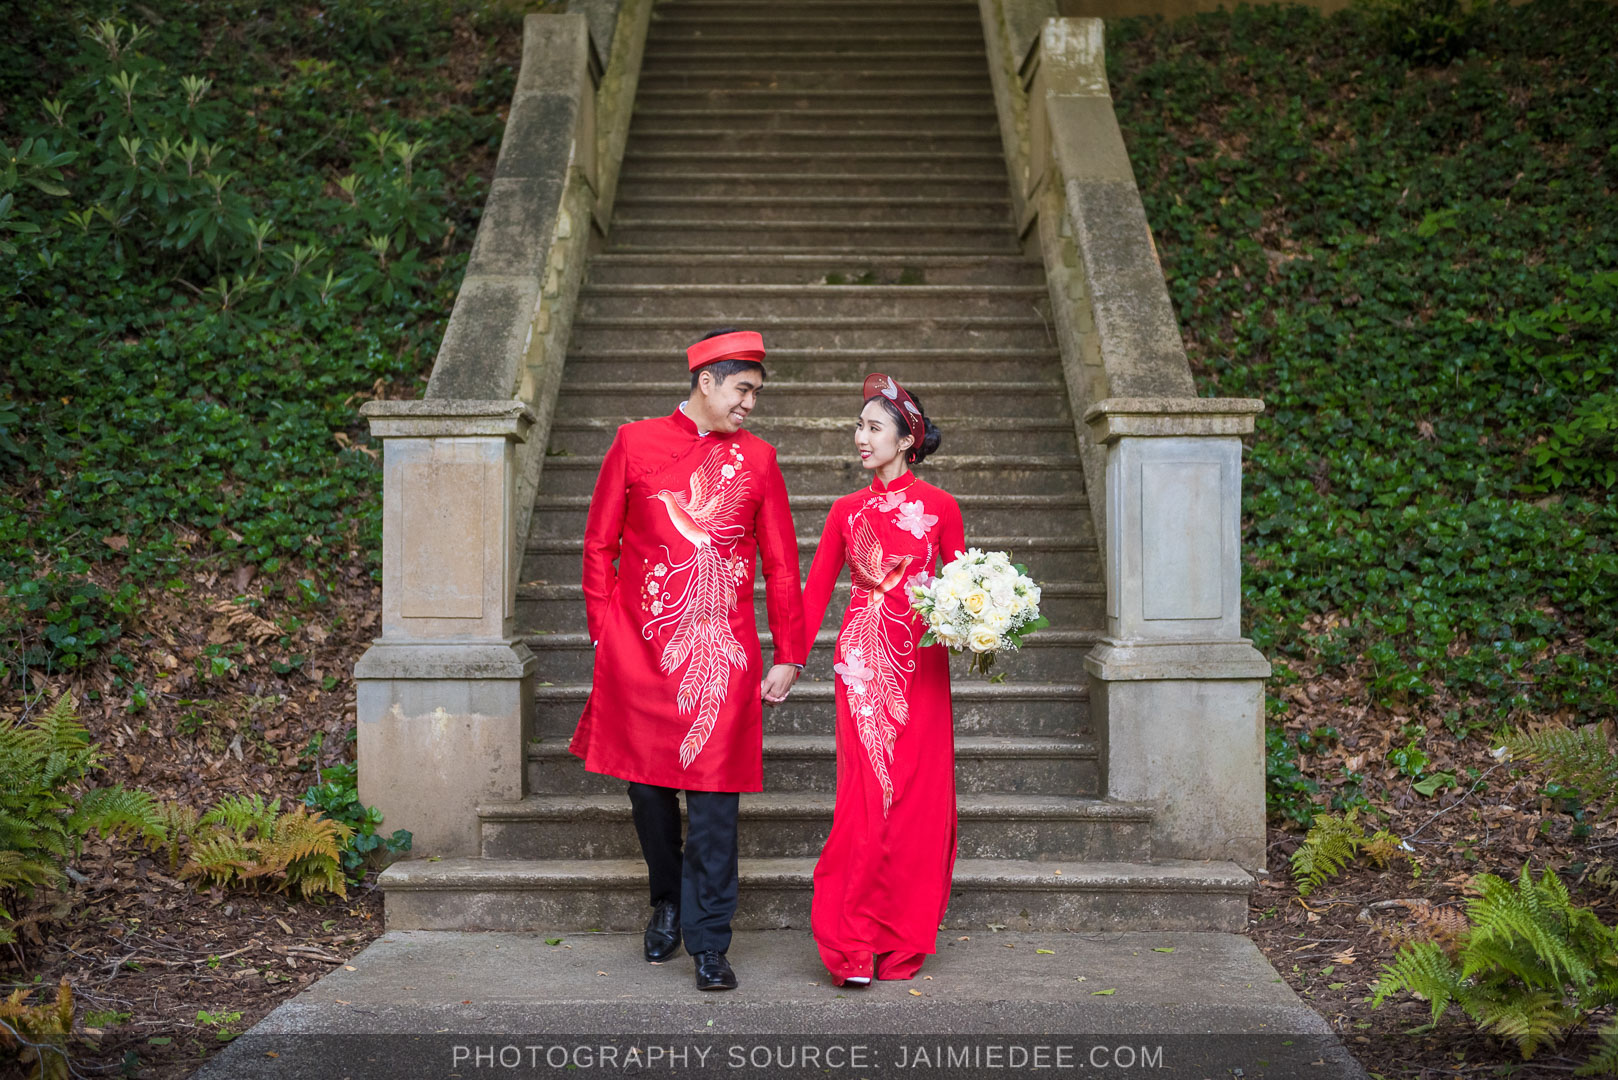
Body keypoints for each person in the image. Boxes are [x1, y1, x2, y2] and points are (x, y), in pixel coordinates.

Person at [569, 328, 806, 991]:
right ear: (707, 382)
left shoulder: (759, 459)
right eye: (743, 390)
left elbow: (782, 564)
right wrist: (603, 633)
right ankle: (668, 899)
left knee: (714, 807)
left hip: (721, 657)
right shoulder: (634, 443)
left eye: (755, 393)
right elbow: (598, 545)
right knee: (646, 792)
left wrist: (788, 652)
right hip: (638, 653)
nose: (750, 404)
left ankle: (709, 941)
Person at [799, 373, 964, 986]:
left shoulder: (943, 507)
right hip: (863, 664)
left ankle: (900, 934)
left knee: (918, 797)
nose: (860, 437)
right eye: (859, 426)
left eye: (873, 427)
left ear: (907, 439)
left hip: (923, 665)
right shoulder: (846, 511)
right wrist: (789, 660)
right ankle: (853, 942)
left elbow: (960, 588)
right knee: (866, 798)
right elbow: (816, 592)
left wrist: (982, 626)